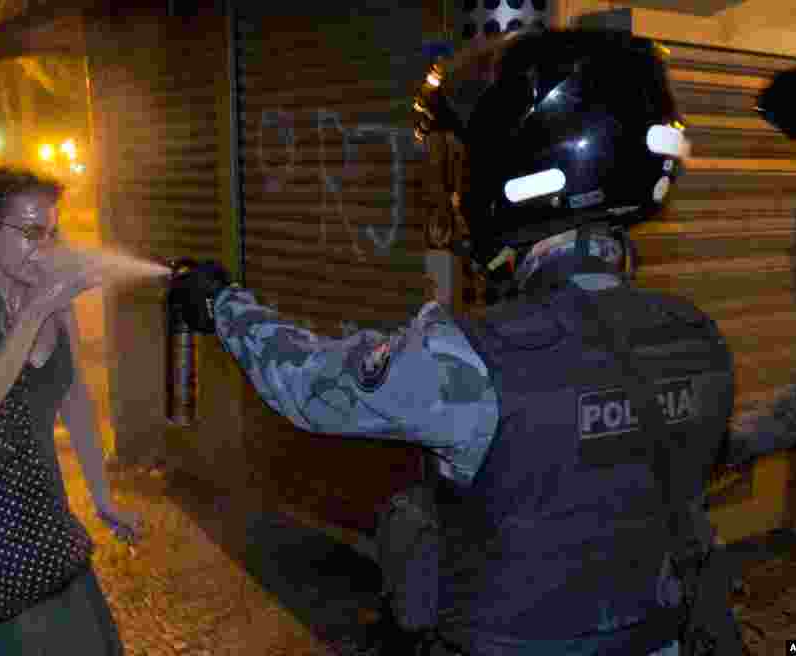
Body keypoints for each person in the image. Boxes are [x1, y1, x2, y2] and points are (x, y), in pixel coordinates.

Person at [168, 29, 745, 655]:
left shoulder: (478, 358)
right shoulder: (698, 339)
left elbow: (308, 385)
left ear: (518, 168)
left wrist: (221, 304)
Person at [0, 166, 141, 655]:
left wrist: (102, 498)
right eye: (29, 233)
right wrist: (39, 307)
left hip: (43, 516)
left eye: (50, 232)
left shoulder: (47, 294)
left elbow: (76, 401)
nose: (43, 246)